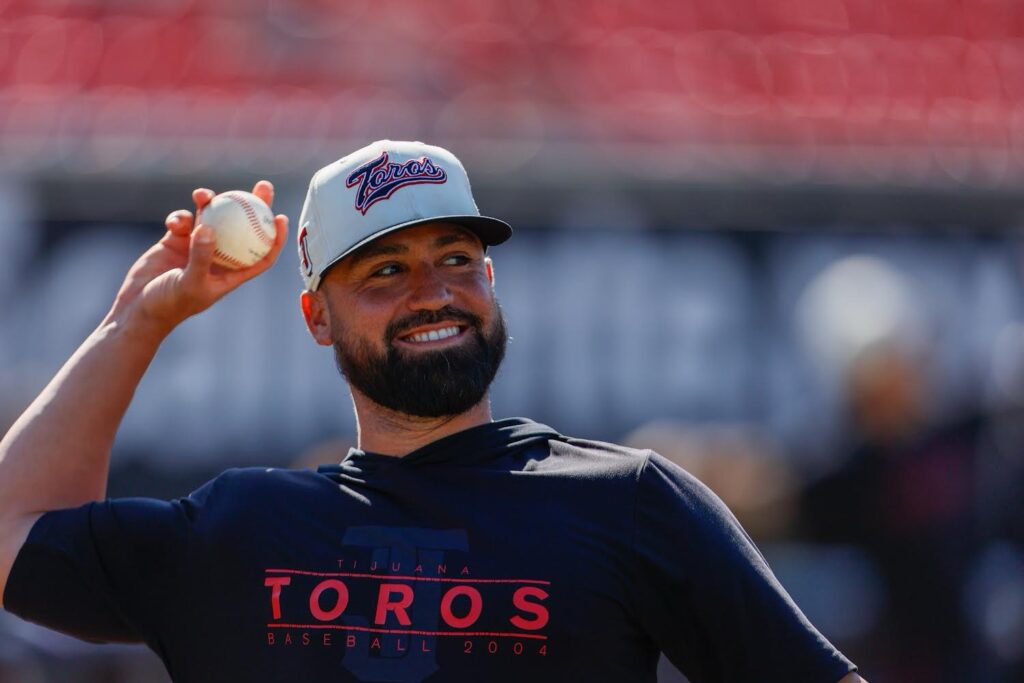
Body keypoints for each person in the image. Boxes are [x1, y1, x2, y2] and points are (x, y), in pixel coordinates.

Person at [0, 140, 865, 683]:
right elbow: (12, 532)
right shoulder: (242, 526)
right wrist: (137, 321)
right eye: (385, 270)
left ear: (490, 280)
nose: (432, 291)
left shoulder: (630, 502)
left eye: (456, 258)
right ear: (317, 317)